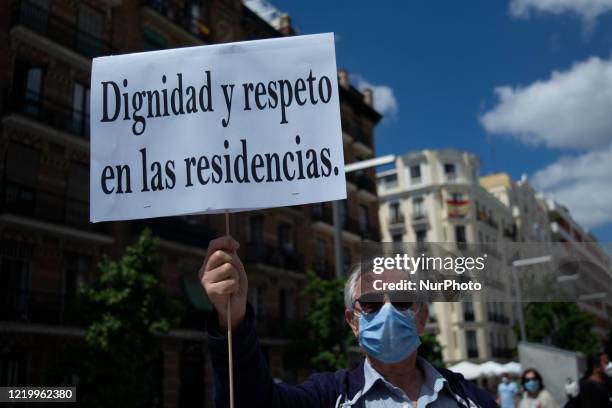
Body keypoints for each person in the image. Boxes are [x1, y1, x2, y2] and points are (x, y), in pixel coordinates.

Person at [200, 236, 497, 407]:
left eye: (403, 300)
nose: (388, 311)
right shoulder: (329, 397)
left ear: (421, 318)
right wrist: (233, 320)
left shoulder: (470, 399)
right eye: (370, 303)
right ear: (353, 322)